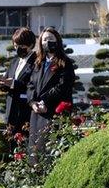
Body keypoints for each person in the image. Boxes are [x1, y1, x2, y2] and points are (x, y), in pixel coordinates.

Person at [27, 27, 75, 156]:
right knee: (35, 152)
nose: (47, 42)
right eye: (44, 39)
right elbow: (31, 84)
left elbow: (62, 86)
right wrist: (32, 102)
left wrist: (44, 101)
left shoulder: (65, 63)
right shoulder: (38, 63)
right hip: (37, 112)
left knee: (51, 150)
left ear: (57, 41)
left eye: (51, 39)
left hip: (54, 111)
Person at [0, 28, 36, 135]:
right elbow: (7, 79)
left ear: (30, 45)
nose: (18, 49)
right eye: (15, 46)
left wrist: (14, 84)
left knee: (25, 145)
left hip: (25, 112)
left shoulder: (36, 61)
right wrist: (2, 83)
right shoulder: (15, 61)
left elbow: (34, 84)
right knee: (12, 146)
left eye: (21, 46)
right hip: (11, 112)